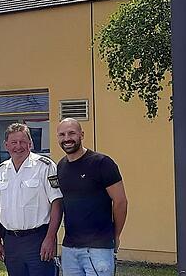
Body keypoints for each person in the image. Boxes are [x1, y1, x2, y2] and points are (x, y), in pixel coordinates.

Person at [56, 118, 127, 276]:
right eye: (62, 134)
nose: (67, 138)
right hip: (69, 249)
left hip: (98, 249)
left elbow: (120, 202)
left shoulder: (102, 163)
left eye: (71, 133)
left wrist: (116, 235)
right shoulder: (60, 166)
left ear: (81, 135)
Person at [0, 123, 63, 276]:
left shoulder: (45, 166)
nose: (19, 146)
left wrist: (50, 238)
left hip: (38, 240)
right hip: (11, 241)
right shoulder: (1, 171)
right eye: (14, 142)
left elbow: (57, 203)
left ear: (30, 144)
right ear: (6, 145)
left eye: (23, 142)